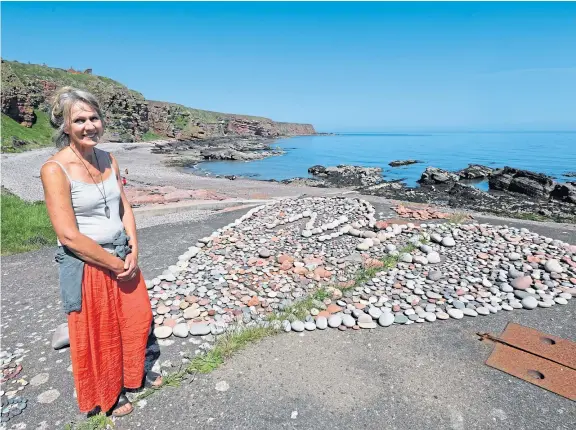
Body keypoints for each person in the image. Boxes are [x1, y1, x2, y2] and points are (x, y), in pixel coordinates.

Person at [40, 87, 162, 418]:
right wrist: (114, 263)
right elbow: (67, 235)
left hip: (122, 254)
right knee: (101, 333)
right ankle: (110, 393)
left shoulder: (108, 158)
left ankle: (134, 374)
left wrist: (133, 249)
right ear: (65, 126)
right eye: (79, 119)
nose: (89, 125)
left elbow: (124, 206)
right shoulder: (55, 169)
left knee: (136, 320)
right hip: (89, 263)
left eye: (94, 117)